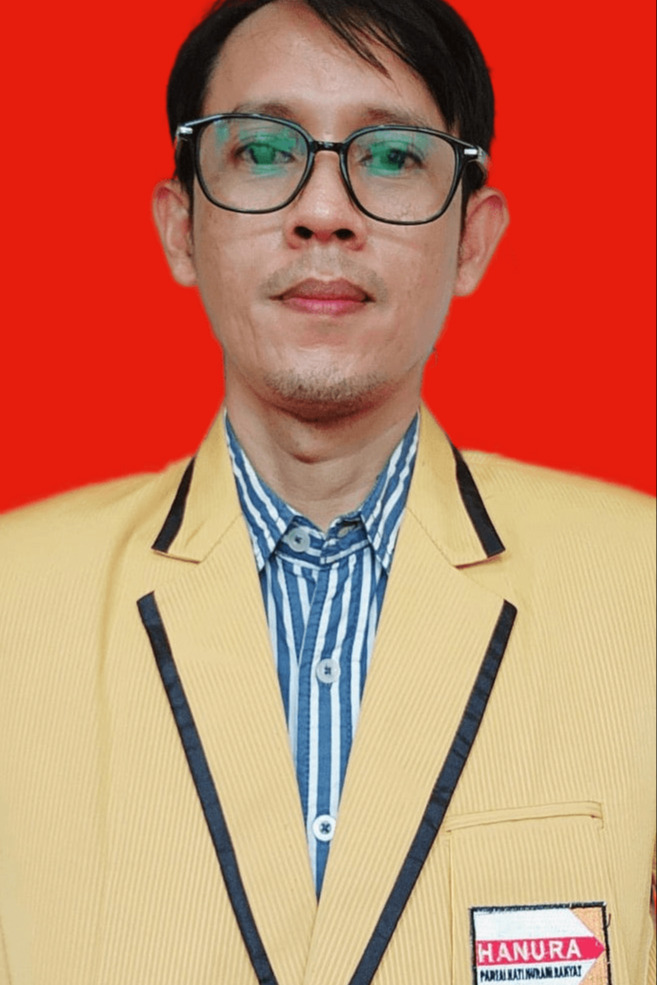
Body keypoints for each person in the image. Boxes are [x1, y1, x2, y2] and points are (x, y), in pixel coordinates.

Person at [0, 0, 654, 981]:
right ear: (180, 226)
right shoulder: (12, 599)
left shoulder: (641, 588)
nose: (323, 212)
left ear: (472, 240)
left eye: (390, 157)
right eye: (263, 151)